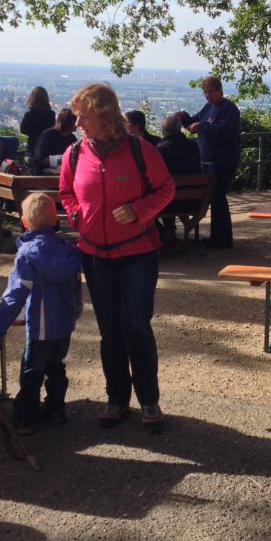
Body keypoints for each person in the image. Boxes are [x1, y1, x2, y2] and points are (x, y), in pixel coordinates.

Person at [59, 83, 175, 431]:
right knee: (110, 332)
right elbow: (65, 191)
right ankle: (117, 399)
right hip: (95, 255)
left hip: (138, 254)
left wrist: (139, 210)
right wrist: (78, 215)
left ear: (105, 116)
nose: (77, 122)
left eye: (84, 116)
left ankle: (149, 400)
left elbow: (166, 189)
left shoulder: (141, 151)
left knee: (136, 326)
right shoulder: (75, 154)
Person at [0, 193, 82, 434]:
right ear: (55, 220)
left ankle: (25, 418)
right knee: (56, 366)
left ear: (24, 222)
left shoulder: (27, 254)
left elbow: (17, 292)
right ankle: (56, 410)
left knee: (32, 370)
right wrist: (74, 313)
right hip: (64, 324)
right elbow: (76, 288)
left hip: (40, 326)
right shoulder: (69, 251)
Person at [181, 75, 241, 249]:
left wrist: (202, 126)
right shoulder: (208, 107)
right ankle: (217, 236)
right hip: (207, 160)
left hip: (223, 161)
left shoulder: (230, 109)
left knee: (218, 197)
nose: (207, 96)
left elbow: (223, 131)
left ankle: (223, 239)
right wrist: (184, 118)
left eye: (211, 92)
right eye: (205, 92)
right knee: (214, 198)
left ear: (220, 91)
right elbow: (193, 123)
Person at [156, 112, 202, 249]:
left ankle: (167, 233)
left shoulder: (160, 150)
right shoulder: (193, 147)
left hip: (167, 203)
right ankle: (169, 234)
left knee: (161, 193)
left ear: (163, 131)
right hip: (192, 201)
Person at [31, 108, 79, 174]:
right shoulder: (48, 135)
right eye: (75, 121)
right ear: (68, 122)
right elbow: (40, 159)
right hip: (42, 172)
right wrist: (61, 161)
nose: (78, 124)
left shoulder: (72, 138)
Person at [20, 87, 57, 164]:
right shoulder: (51, 115)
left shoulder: (29, 115)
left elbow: (23, 130)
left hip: (32, 151)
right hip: (48, 152)